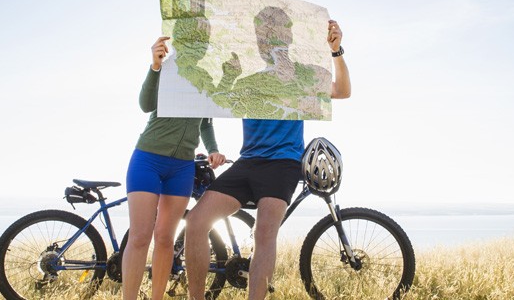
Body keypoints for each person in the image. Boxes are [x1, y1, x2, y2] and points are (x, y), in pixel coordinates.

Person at [185, 19, 351, 300]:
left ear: (288, 37)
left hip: (283, 164)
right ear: (259, 44)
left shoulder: (304, 76)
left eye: (276, 34)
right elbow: (210, 103)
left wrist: (336, 51)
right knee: (195, 222)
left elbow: (343, 91)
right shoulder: (247, 80)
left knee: (264, 235)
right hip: (247, 162)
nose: (270, 42)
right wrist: (226, 74)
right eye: (264, 37)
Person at [122, 36, 227, 300]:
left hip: (182, 166)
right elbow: (145, 104)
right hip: (148, 158)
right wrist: (155, 66)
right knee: (140, 237)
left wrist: (213, 148)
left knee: (166, 239)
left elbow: (206, 122)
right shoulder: (167, 69)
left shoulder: (205, 78)